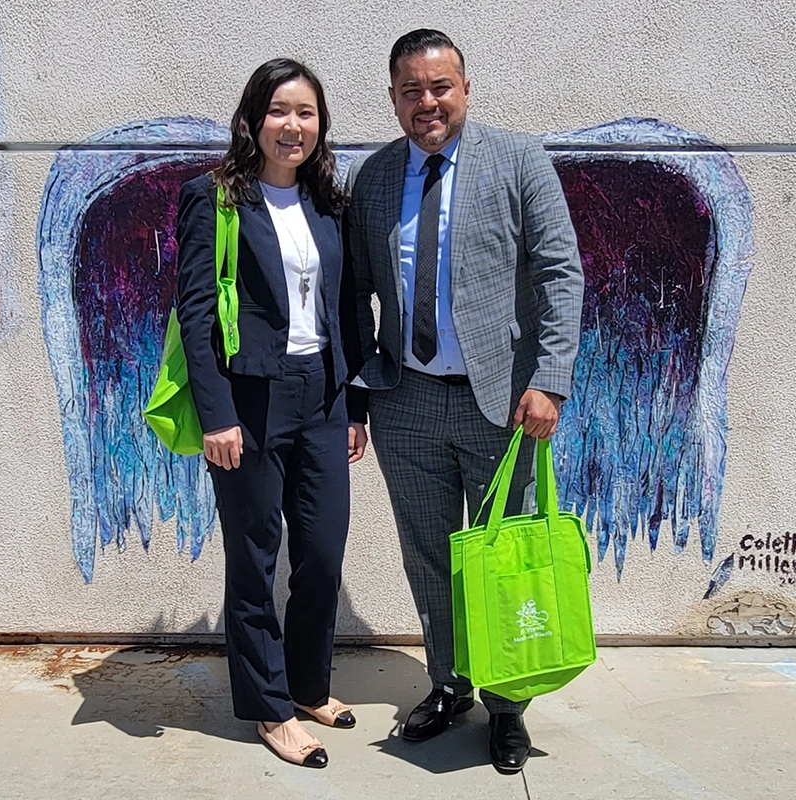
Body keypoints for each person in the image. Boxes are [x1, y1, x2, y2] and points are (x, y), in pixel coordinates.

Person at [344, 30, 584, 773]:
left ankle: (508, 706)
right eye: (411, 90)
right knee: (431, 556)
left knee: (505, 561)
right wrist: (355, 399)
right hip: (405, 401)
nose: (427, 103)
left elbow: (560, 274)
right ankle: (449, 683)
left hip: (503, 405)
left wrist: (547, 378)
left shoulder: (518, 160)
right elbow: (355, 296)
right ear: (392, 98)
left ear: (466, 88)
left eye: (440, 86)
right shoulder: (374, 177)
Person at [176, 58, 368, 769]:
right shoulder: (215, 198)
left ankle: (310, 684)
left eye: (307, 113)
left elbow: (348, 308)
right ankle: (268, 707)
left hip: (321, 394)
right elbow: (196, 314)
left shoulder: (328, 202)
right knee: (254, 558)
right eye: (281, 111)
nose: (295, 126)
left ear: (321, 125)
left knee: (321, 552)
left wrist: (354, 402)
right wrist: (217, 412)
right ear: (254, 118)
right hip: (249, 402)